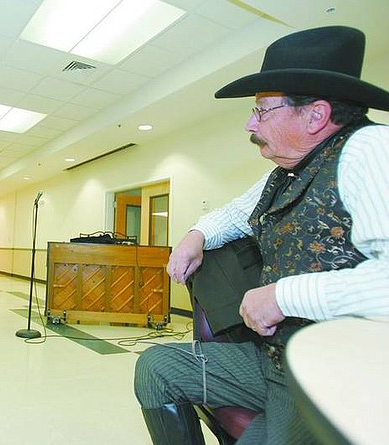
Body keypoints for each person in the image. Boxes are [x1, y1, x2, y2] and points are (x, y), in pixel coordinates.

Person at [134, 26, 389, 445]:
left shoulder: (371, 149)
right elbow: (236, 214)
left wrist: (281, 296)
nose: (249, 123)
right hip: (272, 361)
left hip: (333, 374)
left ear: (315, 115)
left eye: (262, 110)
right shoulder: (288, 171)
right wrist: (196, 234)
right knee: (158, 366)